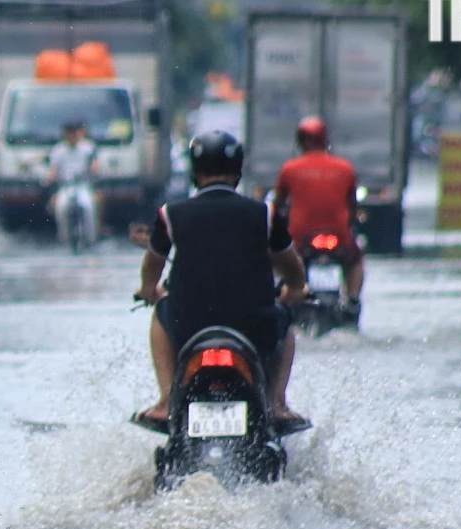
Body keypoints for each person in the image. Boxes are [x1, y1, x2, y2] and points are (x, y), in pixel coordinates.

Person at [133, 130, 309, 430]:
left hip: (189, 324)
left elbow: (153, 265)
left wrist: (150, 291)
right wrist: (294, 290)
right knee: (285, 321)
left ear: (194, 171)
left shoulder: (171, 213)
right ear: (238, 171)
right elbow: (293, 269)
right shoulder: (264, 213)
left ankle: (165, 402)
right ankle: (278, 403)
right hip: (254, 324)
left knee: (160, 314)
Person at [271, 115, 363, 319]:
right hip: (339, 236)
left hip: (300, 237)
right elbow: (352, 206)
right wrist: (352, 222)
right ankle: (353, 299)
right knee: (356, 259)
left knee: (277, 258)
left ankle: (281, 294)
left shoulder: (289, 169)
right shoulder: (345, 167)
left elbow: (278, 205)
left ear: (300, 141)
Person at [44, 120, 98, 246]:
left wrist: (94, 169)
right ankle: (65, 238)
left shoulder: (87, 148)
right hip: (65, 186)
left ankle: (91, 238)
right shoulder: (58, 150)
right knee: (61, 208)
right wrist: (50, 177)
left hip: (83, 185)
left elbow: (94, 165)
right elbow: (52, 169)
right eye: (69, 134)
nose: (72, 136)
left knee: (88, 206)